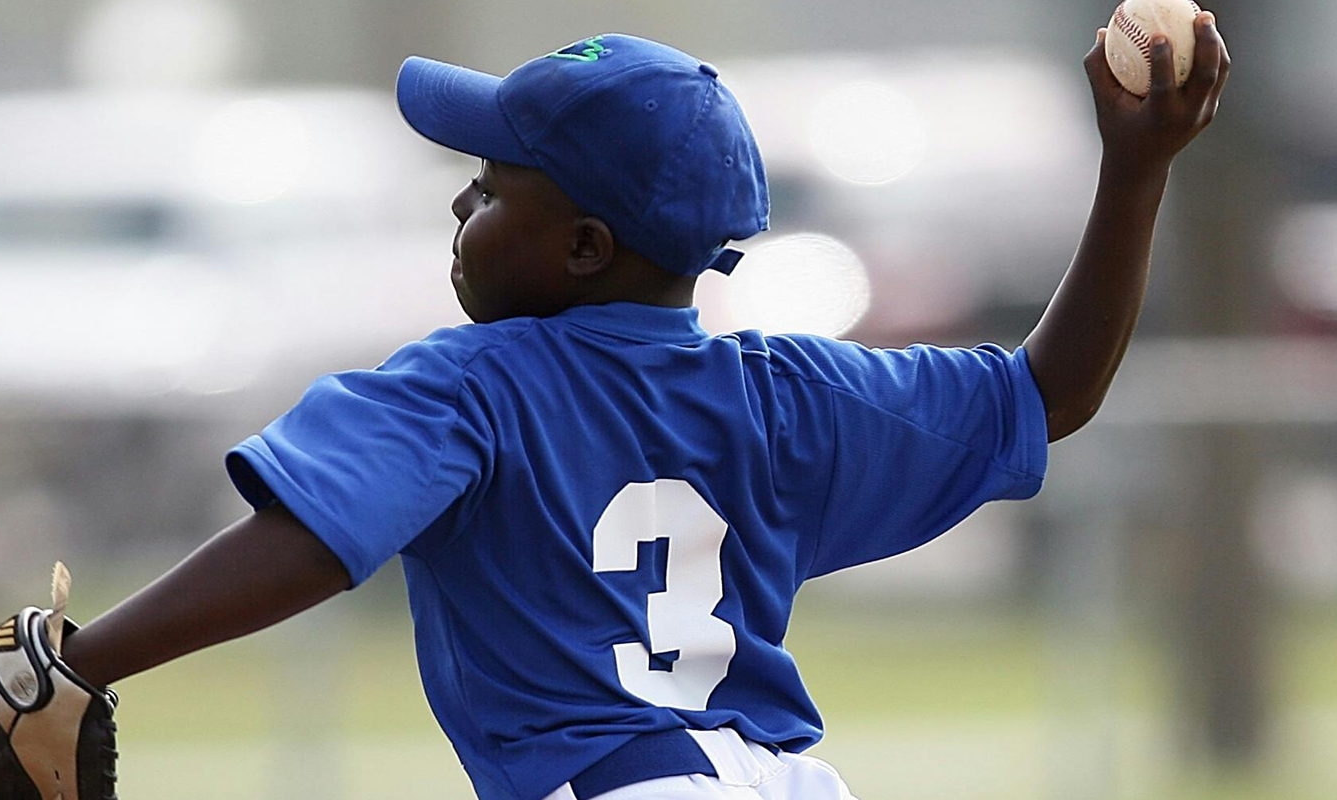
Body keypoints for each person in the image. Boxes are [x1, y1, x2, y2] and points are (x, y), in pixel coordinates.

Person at [64, 20, 1228, 800]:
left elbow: (310, 538)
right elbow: (1049, 390)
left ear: (582, 245)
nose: (462, 199)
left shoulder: (473, 381)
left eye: (491, 187)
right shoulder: (788, 393)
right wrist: (1136, 171)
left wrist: (76, 661)